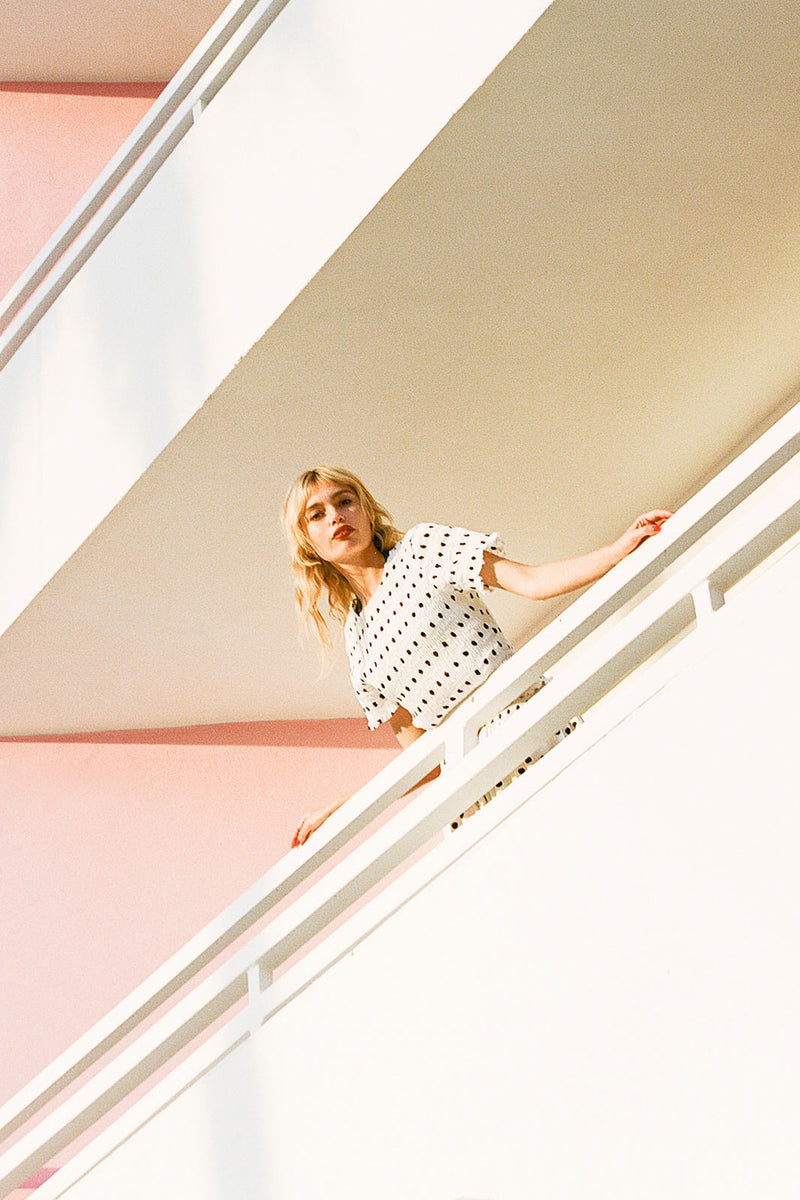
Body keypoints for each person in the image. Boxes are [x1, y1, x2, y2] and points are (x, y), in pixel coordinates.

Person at [283, 466, 672, 847]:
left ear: (366, 510)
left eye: (345, 501)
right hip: (470, 786)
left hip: (524, 726)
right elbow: (425, 760)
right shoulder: (358, 642)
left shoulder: (421, 548)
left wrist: (617, 550)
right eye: (316, 514)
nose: (336, 516)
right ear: (308, 543)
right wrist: (343, 808)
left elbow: (533, 582)